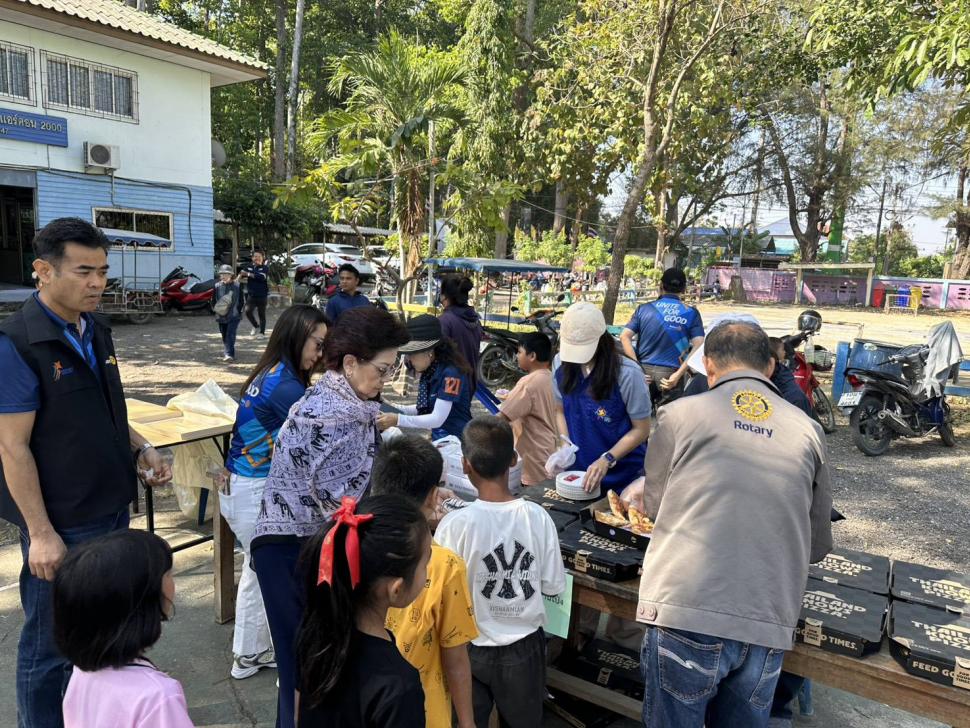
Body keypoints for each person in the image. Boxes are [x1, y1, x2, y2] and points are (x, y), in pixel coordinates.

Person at [0, 217, 172, 728]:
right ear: (43, 271)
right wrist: (40, 533)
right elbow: (12, 446)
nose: (97, 283)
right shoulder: (19, 343)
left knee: (104, 629)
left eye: (102, 271)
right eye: (84, 272)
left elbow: (105, 408)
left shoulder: (95, 327)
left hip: (111, 505)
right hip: (64, 522)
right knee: (49, 644)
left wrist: (142, 448)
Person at [628, 322, 833, 728]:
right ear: (771, 366)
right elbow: (817, 545)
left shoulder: (679, 415)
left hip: (685, 609)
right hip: (766, 618)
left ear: (707, 365)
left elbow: (653, 507)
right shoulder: (808, 430)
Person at [250, 305, 409, 728]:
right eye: (383, 369)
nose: (386, 379)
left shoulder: (348, 401)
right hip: (288, 550)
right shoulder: (333, 415)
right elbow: (345, 510)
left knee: (316, 665)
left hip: (310, 541)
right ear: (351, 362)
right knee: (302, 671)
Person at [221, 304, 329, 680]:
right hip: (254, 490)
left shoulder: (275, 372)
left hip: (244, 486)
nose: (320, 354)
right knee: (274, 574)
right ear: (297, 337)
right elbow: (319, 439)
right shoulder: (286, 386)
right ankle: (281, 661)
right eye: (317, 344)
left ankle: (250, 653)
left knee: (258, 570)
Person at [436, 416, 566, 728]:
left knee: (467, 720)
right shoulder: (537, 517)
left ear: (465, 465)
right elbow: (552, 586)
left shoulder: (453, 526)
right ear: (513, 460)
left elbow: (441, 595)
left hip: (467, 648)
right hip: (524, 648)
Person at [296, 495, 432, 727]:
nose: (427, 572)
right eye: (425, 563)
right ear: (396, 589)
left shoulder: (315, 636)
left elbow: (298, 715)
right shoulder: (399, 687)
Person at [372, 436, 479, 728]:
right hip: (424, 714)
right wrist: (467, 723)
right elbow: (455, 660)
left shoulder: (345, 543)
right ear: (433, 497)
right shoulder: (444, 565)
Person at [53, 530, 191, 728]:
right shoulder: (158, 698)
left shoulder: (83, 672)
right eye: (168, 573)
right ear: (142, 601)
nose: (173, 580)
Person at [552, 302, 651, 494]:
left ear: (600, 340)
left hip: (623, 477)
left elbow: (642, 429)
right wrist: (565, 446)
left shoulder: (628, 374)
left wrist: (607, 458)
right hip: (579, 475)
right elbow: (560, 410)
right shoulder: (559, 364)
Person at [377, 314, 473, 440]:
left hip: (457, 441)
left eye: (412, 353)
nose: (409, 359)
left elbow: (437, 418)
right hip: (440, 438)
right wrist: (390, 407)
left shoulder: (452, 375)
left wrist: (398, 419)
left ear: (429, 351)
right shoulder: (431, 371)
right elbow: (424, 407)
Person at [620, 266, 704, 405]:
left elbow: (624, 336)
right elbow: (699, 344)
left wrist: (637, 368)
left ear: (661, 285)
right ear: (684, 288)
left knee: (639, 416)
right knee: (668, 418)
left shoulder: (644, 309)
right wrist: (679, 374)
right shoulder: (691, 313)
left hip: (643, 372)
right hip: (672, 374)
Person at [498, 333, 558, 487]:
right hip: (548, 451)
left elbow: (502, 417)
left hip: (531, 457)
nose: (517, 356)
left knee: (530, 495)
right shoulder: (551, 377)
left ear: (532, 356)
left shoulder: (528, 382)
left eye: (519, 352)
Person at [438, 275, 482, 385]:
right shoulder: (476, 320)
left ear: (444, 297)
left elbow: (439, 358)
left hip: (450, 386)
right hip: (470, 383)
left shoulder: (445, 321)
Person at [214, 264, 243, 362]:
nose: (223, 276)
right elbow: (214, 300)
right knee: (224, 334)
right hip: (221, 316)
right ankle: (229, 351)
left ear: (231, 275)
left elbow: (242, 301)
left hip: (234, 315)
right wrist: (217, 311)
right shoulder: (217, 286)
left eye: (226, 274)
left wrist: (238, 311)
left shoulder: (237, 286)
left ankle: (229, 354)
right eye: (222, 274)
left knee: (230, 334)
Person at [240, 249, 270, 337]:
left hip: (262, 295)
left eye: (259, 256)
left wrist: (248, 274)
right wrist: (237, 279)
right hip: (251, 295)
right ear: (252, 258)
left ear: (263, 258)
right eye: (255, 256)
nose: (257, 258)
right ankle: (256, 326)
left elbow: (261, 277)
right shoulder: (249, 266)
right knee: (247, 312)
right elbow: (241, 273)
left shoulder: (265, 268)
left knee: (261, 314)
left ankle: (262, 333)